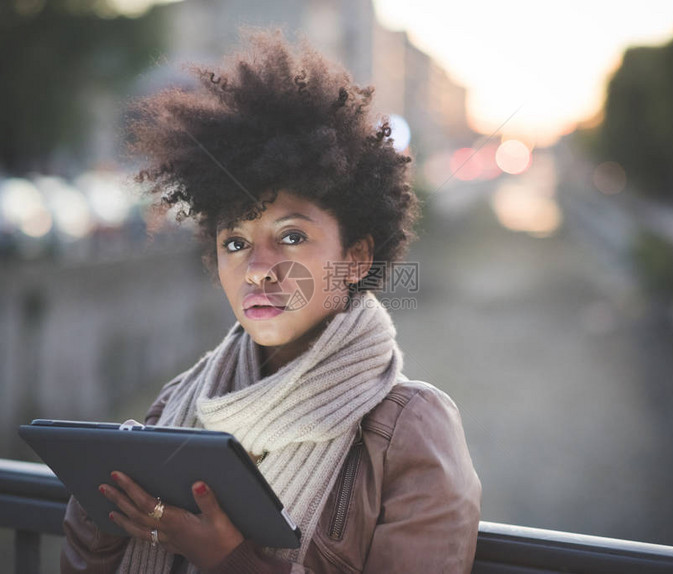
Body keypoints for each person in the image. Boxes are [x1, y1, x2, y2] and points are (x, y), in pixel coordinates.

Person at [61, 28, 481, 574]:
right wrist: (100, 514)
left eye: (290, 236)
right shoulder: (177, 404)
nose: (257, 269)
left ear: (355, 258)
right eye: (235, 243)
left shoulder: (409, 431)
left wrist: (228, 560)